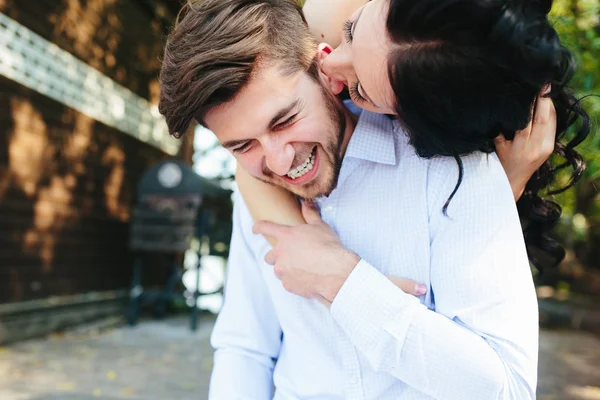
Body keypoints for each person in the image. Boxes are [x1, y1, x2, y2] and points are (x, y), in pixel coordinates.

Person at [157, 0, 586, 398]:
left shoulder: (452, 172)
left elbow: (507, 389)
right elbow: (244, 349)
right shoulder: (257, 191)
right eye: (242, 145)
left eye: (286, 120)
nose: (278, 160)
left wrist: (345, 282)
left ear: (325, 72)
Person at [239, 0, 589, 272]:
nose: (327, 67)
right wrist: (324, 269)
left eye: (360, 91)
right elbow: (245, 156)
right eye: (351, 32)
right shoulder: (326, 16)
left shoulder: (463, 155)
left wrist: (504, 186)